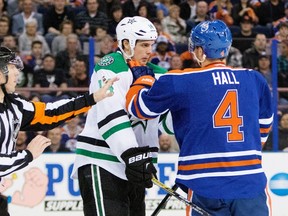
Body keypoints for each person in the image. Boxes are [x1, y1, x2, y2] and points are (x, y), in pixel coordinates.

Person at [125, 20, 273, 215]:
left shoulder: (180, 80)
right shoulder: (255, 79)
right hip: (250, 184)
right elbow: (263, 129)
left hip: (204, 185)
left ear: (201, 52)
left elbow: (137, 108)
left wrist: (142, 79)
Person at [71, 16, 171, 216]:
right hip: (102, 162)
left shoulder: (157, 74)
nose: (149, 50)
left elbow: (168, 122)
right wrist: (131, 154)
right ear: (126, 43)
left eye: (151, 44)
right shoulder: (110, 67)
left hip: (135, 166)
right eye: (144, 45)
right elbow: (111, 114)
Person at [0, 46, 117, 215]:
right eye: (11, 67)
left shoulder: (14, 105)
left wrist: (92, 98)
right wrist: (28, 155)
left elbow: (52, 112)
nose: (17, 73)